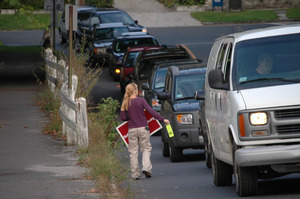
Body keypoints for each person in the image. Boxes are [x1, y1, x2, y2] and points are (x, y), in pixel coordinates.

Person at [120, 83, 169, 181]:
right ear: (134, 90)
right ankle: (146, 168)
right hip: (143, 128)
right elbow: (151, 111)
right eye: (137, 89)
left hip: (132, 130)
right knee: (146, 149)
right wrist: (162, 119)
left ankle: (135, 175)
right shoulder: (141, 100)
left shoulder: (126, 102)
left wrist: (130, 117)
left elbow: (123, 117)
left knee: (133, 152)